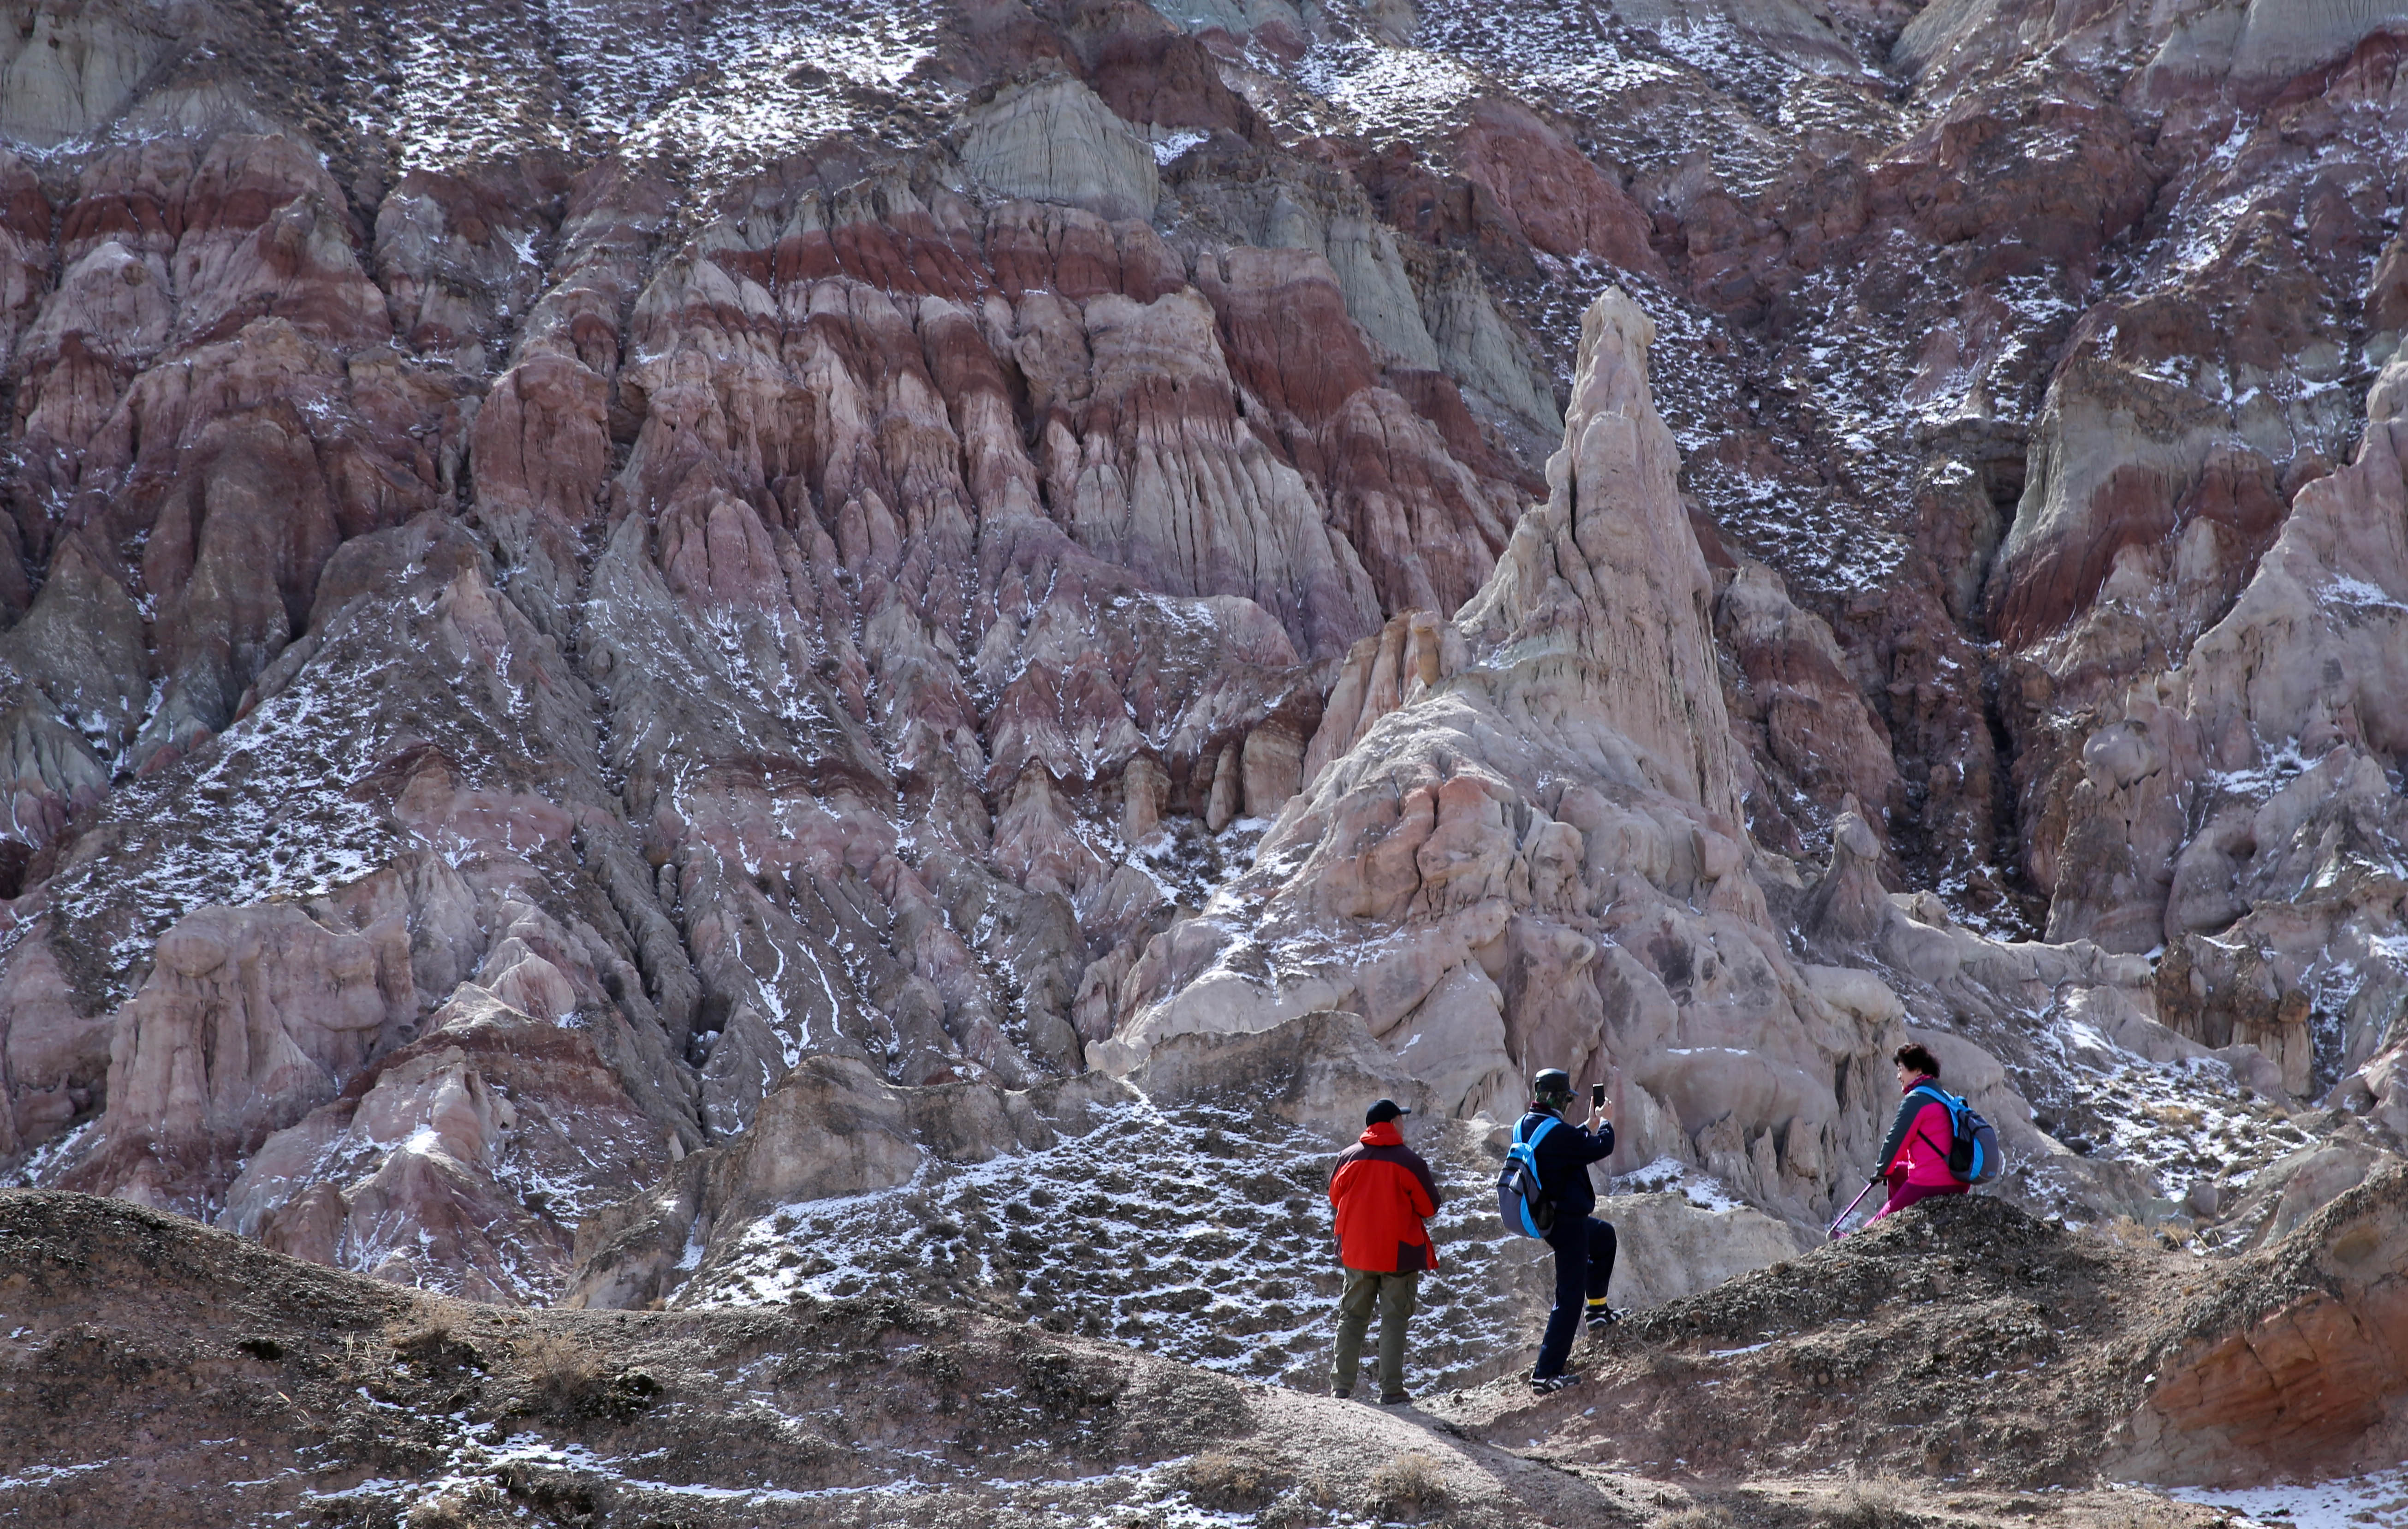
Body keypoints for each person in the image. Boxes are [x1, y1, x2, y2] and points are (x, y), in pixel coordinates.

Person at [1326, 1097, 1442, 1405]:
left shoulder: (1347, 1157)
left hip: (1357, 1252)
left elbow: (1335, 1197)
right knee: (1394, 1318)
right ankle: (1390, 1389)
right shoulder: (1409, 1162)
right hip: (1398, 1253)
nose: (1403, 1124)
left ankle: (1341, 1386)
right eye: (1400, 1119)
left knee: (1351, 1315)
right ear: (1391, 1124)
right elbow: (1429, 1206)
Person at [1519, 1068, 1617, 1394]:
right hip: (1567, 1223)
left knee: (1603, 1237)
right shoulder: (1558, 1133)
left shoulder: (1526, 1124)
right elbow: (1599, 1147)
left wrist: (1586, 1126)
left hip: (1550, 1218)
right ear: (1558, 1098)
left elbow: (1560, 1145)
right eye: (1565, 1097)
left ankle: (1598, 1311)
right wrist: (1604, 1122)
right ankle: (1545, 1374)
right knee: (1568, 1297)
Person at [1866, 1042, 1969, 1224]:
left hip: (1934, 1180)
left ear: (1918, 1070)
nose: (1898, 1076)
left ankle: (1855, 1237)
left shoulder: (1917, 1099)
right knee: (1897, 1171)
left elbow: (1896, 1141)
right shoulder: (1943, 1096)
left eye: (1901, 1069)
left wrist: (1882, 1170)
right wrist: (1889, 1170)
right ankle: (1902, 1204)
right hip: (1959, 1179)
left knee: (1886, 1220)